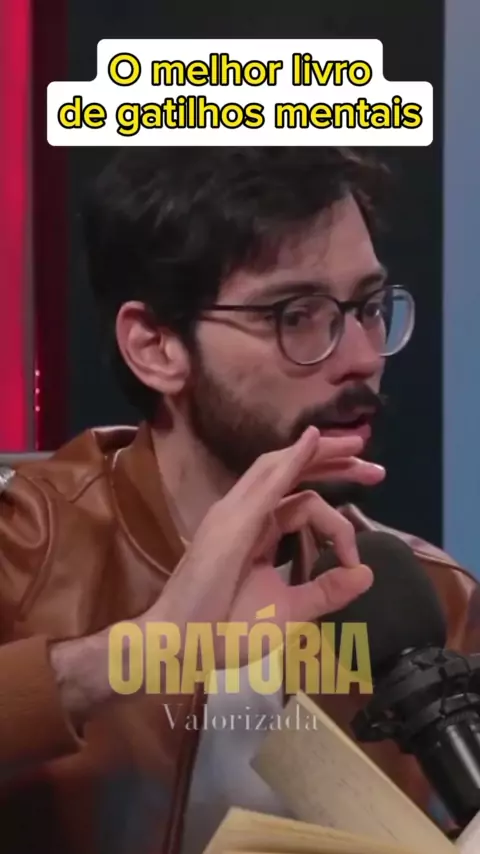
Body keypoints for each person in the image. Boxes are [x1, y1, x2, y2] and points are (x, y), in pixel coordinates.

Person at [0, 147, 478, 854]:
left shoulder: (431, 598)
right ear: (157, 346)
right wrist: (144, 648)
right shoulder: (23, 544)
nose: (363, 358)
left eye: (369, 308)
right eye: (298, 315)